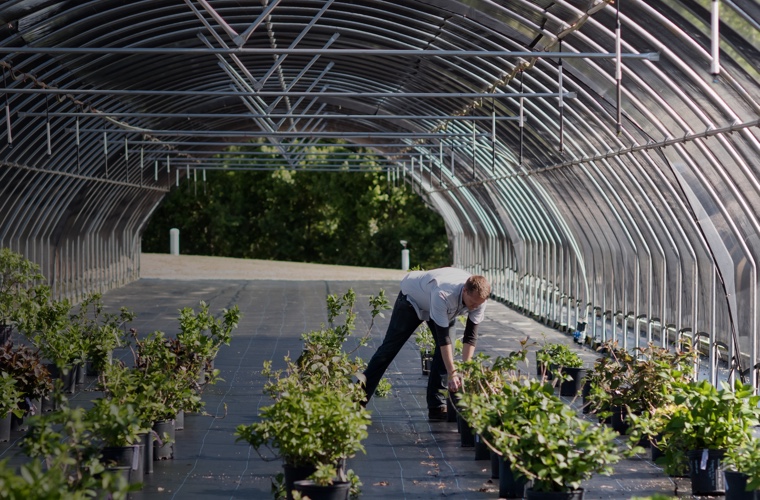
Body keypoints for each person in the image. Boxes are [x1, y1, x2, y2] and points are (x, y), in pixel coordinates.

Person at [361, 267, 490, 420]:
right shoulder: (443, 294)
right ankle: (357, 399)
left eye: (478, 304)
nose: (475, 306)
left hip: (440, 305)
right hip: (412, 301)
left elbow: (470, 337)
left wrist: (466, 371)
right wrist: (453, 373)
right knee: (388, 350)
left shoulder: (479, 298)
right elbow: (444, 340)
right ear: (465, 291)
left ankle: (436, 407)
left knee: (447, 355)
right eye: (473, 303)